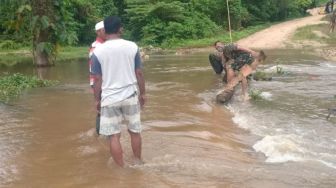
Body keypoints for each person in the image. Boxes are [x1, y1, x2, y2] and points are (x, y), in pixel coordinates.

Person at [90, 16, 146, 167]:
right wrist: (143, 94)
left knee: (113, 136)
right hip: (130, 95)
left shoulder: (98, 52)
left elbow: (97, 80)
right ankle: (137, 162)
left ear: (105, 30)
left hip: (109, 98)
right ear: (120, 29)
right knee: (134, 131)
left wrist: (96, 100)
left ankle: (121, 169)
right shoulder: (132, 46)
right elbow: (139, 73)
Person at [89, 21, 105, 135]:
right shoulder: (96, 47)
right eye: (104, 30)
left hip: (105, 82)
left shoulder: (106, 44)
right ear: (98, 32)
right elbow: (94, 71)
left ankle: (102, 134)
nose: (106, 32)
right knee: (101, 110)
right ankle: (99, 134)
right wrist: (95, 86)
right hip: (100, 82)